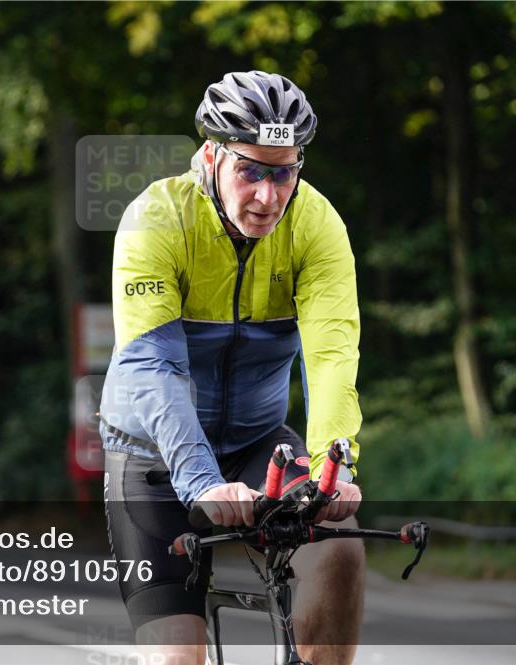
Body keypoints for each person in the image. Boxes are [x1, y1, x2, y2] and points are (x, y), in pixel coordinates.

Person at [100, 71, 365, 665]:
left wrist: (331, 467)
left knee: (340, 547)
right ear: (210, 156)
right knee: (176, 657)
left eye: (285, 172)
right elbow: (154, 366)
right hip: (152, 457)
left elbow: (330, 355)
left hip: (256, 442)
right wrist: (199, 481)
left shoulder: (316, 225)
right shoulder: (157, 220)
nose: (269, 196)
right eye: (252, 171)